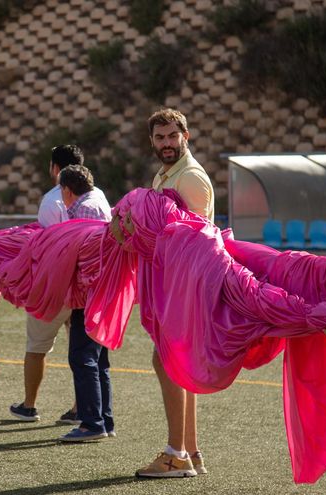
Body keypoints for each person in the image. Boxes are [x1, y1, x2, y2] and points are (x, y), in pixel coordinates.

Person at [121, 108, 214, 477]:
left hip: (185, 283)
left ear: (186, 136)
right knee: (177, 363)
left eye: (173, 136)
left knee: (169, 361)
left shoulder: (189, 178)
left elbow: (195, 238)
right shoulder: (165, 174)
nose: (166, 144)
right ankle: (190, 451)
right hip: (170, 282)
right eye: (160, 138)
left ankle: (176, 456)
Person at [10, 144, 88, 423]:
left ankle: (29, 405)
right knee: (81, 349)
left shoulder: (52, 198)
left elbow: (45, 245)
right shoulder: (95, 195)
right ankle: (83, 407)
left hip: (56, 284)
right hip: (84, 285)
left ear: (55, 168)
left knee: (37, 345)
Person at [54, 165, 114, 442]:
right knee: (98, 359)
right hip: (102, 291)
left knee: (82, 356)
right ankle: (104, 419)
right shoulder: (98, 199)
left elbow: (87, 255)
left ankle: (92, 423)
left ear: (67, 190)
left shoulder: (85, 209)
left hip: (90, 293)